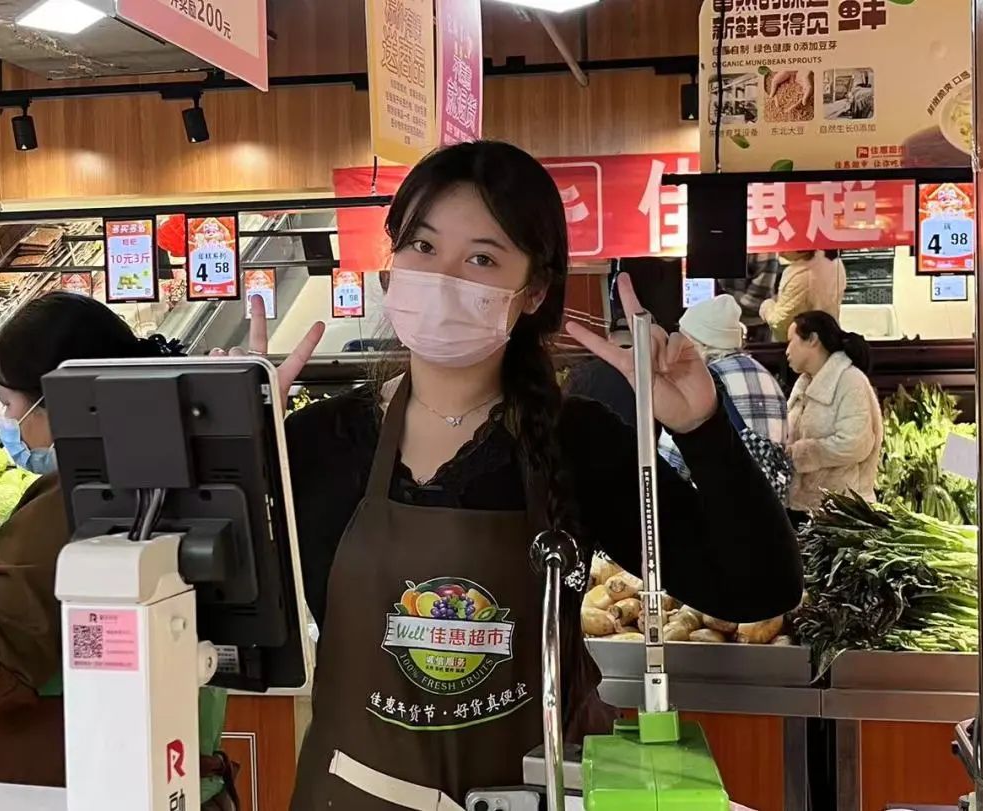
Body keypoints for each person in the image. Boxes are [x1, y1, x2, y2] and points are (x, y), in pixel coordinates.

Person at [234, 141, 802, 808]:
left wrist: (702, 427)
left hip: (529, 794)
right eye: (422, 246)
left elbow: (756, 587)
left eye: (480, 258)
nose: (442, 277)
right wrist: (231, 444)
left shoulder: (575, 440)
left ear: (532, 292)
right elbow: (212, 622)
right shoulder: (313, 442)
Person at [0, 293, 236, 808]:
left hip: (76, 784)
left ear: (54, 398)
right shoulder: (176, 471)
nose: (6, 420)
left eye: (7, 403)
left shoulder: (76, 499)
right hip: (176, 775)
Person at [658, 295, 790, 500]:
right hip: (769, 505)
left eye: (684, 340)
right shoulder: (766, 376)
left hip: (717, 503)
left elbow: (672, 460)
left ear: (699, 344)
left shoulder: (702, 383)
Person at [784, 310, 883, 521]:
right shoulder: (804, 384)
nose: (787, 351)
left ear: (812, 339)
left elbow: (855, 443)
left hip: (843, 511)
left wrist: (802, 453)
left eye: (791, 341)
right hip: (804, 508)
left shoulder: (850, 381)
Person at [759, 250, 847, 341]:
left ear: (803, 249)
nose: (780, 252)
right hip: (829, 337)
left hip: (803, 343)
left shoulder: (801, 275)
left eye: (786, 248)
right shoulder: (835, 262)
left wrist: (767, 306)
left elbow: (780, 323)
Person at [719, 252, 780, 343]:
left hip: (752, 325)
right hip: (719, 322)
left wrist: (721, 301)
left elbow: (756, 301)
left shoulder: (763, 250)